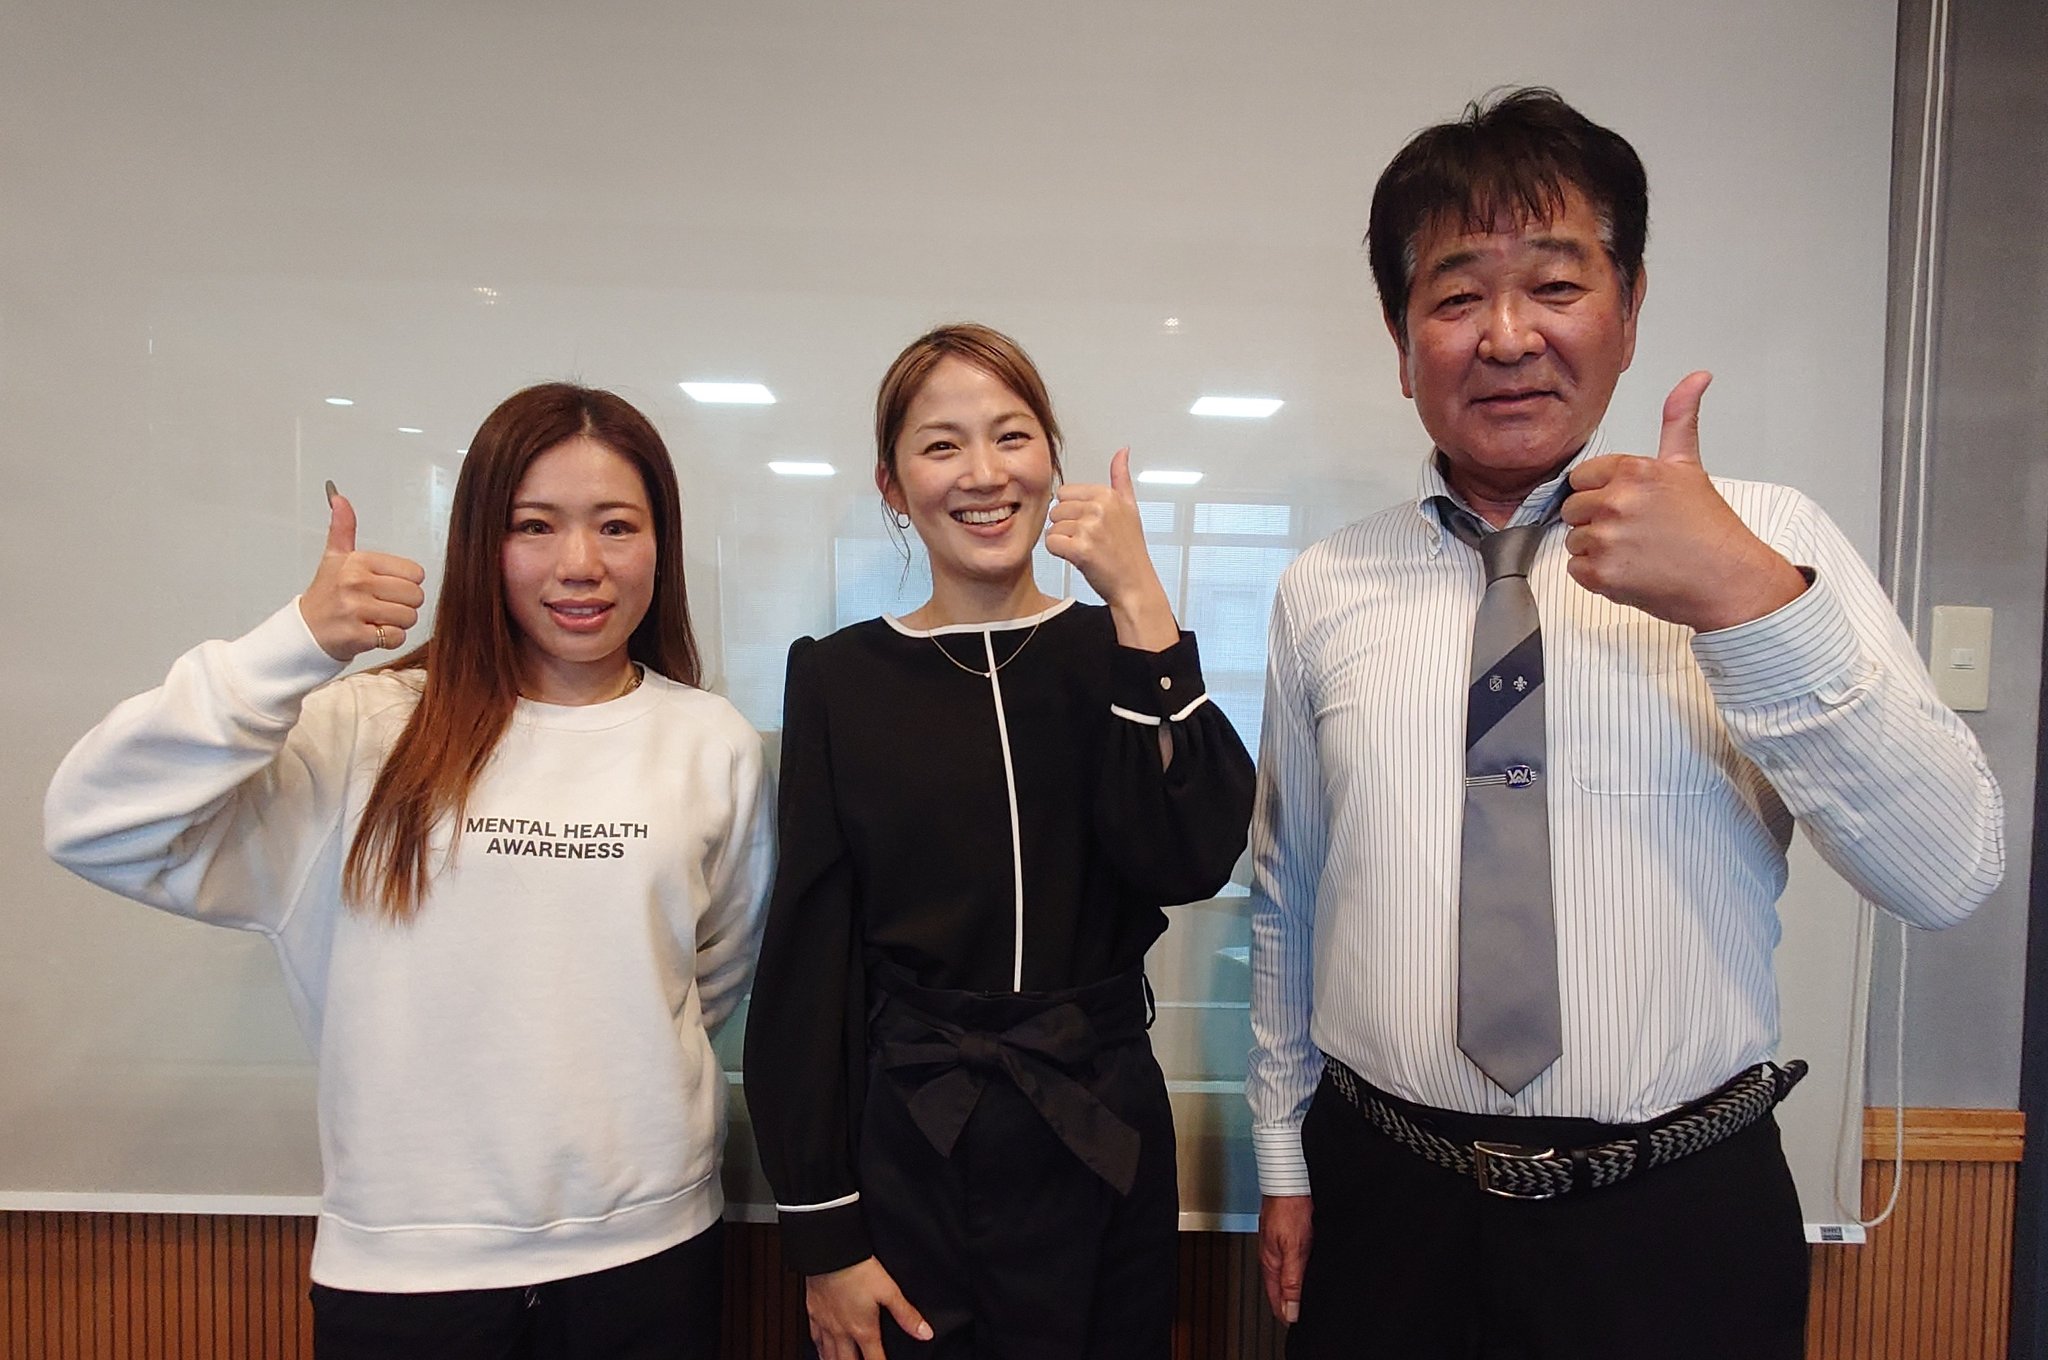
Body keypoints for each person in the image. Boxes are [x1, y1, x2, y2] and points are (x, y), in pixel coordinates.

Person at [1246, 88, 2004, 1359]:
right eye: (1454, 296)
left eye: (1554, 285)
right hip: (1386, 1201)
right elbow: (1290, 889)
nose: (1505, 336)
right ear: (1399, 336)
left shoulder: (1768, 540)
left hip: (1676, 1217)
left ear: (1628, 304)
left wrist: (1747, 603)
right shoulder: (1325, 585)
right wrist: (1281, 1152)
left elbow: (1946, 872)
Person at [45, 383, 773, 1359]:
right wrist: (293, 646)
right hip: (407, 1273)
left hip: (649, 1252)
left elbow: (704, 972)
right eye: (534, 525)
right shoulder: (363, 730)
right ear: (480, 542)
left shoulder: (709, 740)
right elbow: (93, 823)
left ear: (660, 542)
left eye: (616, 525)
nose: (580, 563)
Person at [743, 323, 1255, 1360]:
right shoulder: (839, 678)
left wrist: (1139, 599)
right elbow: (807, 965)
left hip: (1099, 1128)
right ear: (892, 486)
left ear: (1051, 460)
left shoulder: (1117, 650)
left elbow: (1192, 856)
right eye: (941, 445)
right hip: (911, 1141)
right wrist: (824, 1234)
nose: (983, 473)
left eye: (1011, 436)